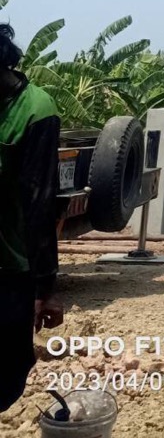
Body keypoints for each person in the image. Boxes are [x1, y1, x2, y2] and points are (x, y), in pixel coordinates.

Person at [0, 23, 63, 412]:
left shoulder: (35, 111)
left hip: (10, 268)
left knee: (8, 370)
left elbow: (40, 202)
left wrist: (46, 287)